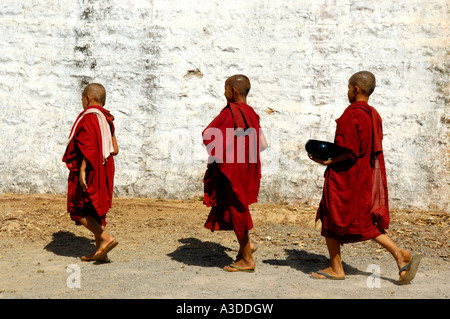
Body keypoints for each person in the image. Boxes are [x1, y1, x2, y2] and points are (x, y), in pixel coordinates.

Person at [308, 71, 421, 284]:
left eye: (349, 87)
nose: (348, 91)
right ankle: (399, 254)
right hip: (363, 177)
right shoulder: (373, 114)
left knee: (331, 218)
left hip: (346, 178)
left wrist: (328, 161)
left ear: (355, 89)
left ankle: (337, 268)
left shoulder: (353, 113)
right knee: (363, 222)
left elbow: (350, 150)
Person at [202, 74, 268, 272]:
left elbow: (208, 135)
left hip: (233, 170)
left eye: (225, 89)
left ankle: (247, 259)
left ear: (233, 91)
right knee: (240, 207)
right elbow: (262, 144)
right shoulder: (252, 113)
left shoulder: (231, 112)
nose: (224, 94)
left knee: (237, 210)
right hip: (248, 168)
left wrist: (225, 158)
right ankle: (246, 246)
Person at [62, 83, 119, 262]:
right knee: (94, 208)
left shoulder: (89, 118)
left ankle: (105, 238)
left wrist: (83, 169)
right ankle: (101, 252)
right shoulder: (107, 119)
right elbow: (114, 149)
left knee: (77, 207)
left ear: (88, 99)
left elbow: (89, 146)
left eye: (82, 99)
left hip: (89, 168)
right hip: (105, 167)